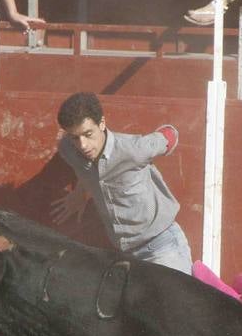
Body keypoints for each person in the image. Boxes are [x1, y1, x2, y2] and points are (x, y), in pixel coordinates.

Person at [50, 92, 193, 274]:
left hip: (162, 247)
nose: (83, 145)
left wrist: (164, 137)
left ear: (102, 123)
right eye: (75, 137)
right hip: (125, 257)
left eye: (88, 134)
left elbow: (170, 134)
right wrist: (79, 194)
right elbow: (85, 171)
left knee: (172, 302)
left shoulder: (134, 150)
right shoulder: (68, 148)